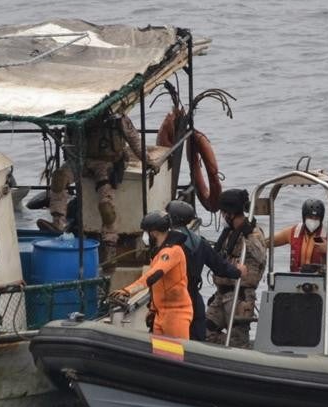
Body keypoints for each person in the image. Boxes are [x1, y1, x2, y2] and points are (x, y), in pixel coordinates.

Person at [48, 112, 145, 263]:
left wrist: (149, 161)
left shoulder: (117, 120)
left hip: (106, 164)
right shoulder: (75, 119)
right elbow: (69, 143)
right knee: (59, 178)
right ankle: (58, 223)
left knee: (106, 206)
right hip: (80, 161)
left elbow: (135, 141)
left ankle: (110, 244)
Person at [107, 211, 193, 339]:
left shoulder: (172, 251)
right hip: (160, 313)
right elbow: (158, 286)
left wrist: (127, 291)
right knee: (160, 355)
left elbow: (154, 275)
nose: (144, 236)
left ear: (154, 233)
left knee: (176, 355)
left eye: (146, 232)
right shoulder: (158, 252)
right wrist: (152, 309)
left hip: (176, 314)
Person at [165, 199, 240, 341]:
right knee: (197, 337)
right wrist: (238, 271)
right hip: (194, 298)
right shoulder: (200, 242)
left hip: (174, 299)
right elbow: (220, 267)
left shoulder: (167, 242)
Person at [204, 188, 267, 348]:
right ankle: (225, 348)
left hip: (240, 296)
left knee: (238, 341)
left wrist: (248, 236)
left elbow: (261, 256)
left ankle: (237, 351)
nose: (221, 216)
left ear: (229, 213)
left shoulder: (253, 233)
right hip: (221, 294)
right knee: (205, 331)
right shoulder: (229, 233)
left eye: (222, 212)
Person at [268, 198, 328, 272]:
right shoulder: (292, 232)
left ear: (321, 219)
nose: (313, 221)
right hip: (296, 277)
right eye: (310, 217)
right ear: (304, 217)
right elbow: (267, 242)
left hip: (318, 278)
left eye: (316, 218)